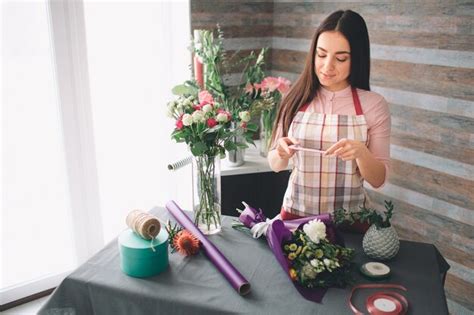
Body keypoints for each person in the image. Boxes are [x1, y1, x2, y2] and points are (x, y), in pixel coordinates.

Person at [268, 10, 390, 220]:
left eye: (340, 58)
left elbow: (378, 180)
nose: (327, 66)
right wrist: (281, 152)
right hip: (294, 217)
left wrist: (361, 153)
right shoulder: (294, 98)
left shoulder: (374, 104)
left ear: (357, 58)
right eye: (321, 54)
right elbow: (275, 165)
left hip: (350, 223)